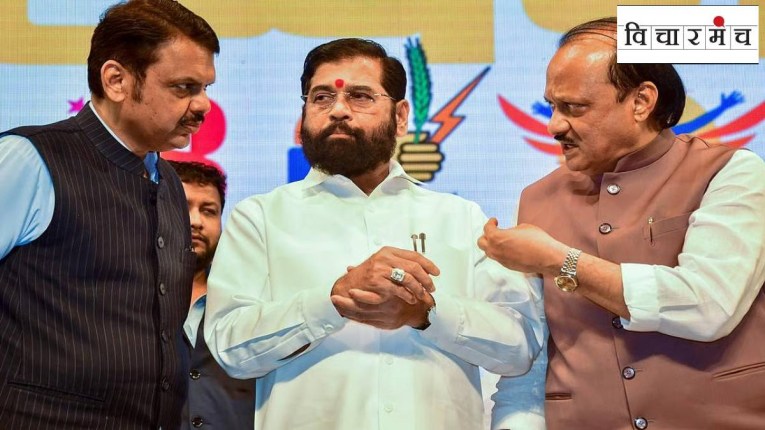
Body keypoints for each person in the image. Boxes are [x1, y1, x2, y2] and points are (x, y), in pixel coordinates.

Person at [203, 38, 543, 430]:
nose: (338, 110)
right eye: (321, 97)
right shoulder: (261, 217)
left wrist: (427, 313)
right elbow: (230, 348)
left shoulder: (459, 218)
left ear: (400, 116)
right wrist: (334, 301)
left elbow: (520, 347)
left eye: (360, 96)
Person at [480, 17, 765, 430]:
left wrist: (561, 261)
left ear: (641, 102)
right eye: (552, 106)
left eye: (573, 108)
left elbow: (709, 305)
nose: (554, 125)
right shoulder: (537, 199)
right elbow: (530, 356)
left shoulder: (731, 173)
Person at [0, 1, 219, 428]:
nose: (204, 106)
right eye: (184, 87)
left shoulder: (170, 184)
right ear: (116, 80)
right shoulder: (27, 160)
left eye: (206, 87)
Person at [168, 160, 256, 430]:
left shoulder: (250, 298)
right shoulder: (124, 296)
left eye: (209, 211)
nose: (196, 221)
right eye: (183, 206)